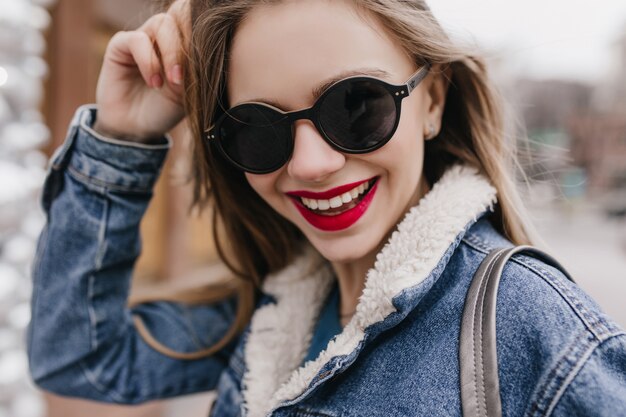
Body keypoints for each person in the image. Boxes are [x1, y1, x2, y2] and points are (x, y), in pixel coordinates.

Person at [28, 0, 626, 416]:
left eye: (355, 106)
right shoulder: (274, 305)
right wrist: (121, 139)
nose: (310, 163)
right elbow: (79, 361)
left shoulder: (526, 324)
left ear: (433, 100)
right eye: (257, 130)